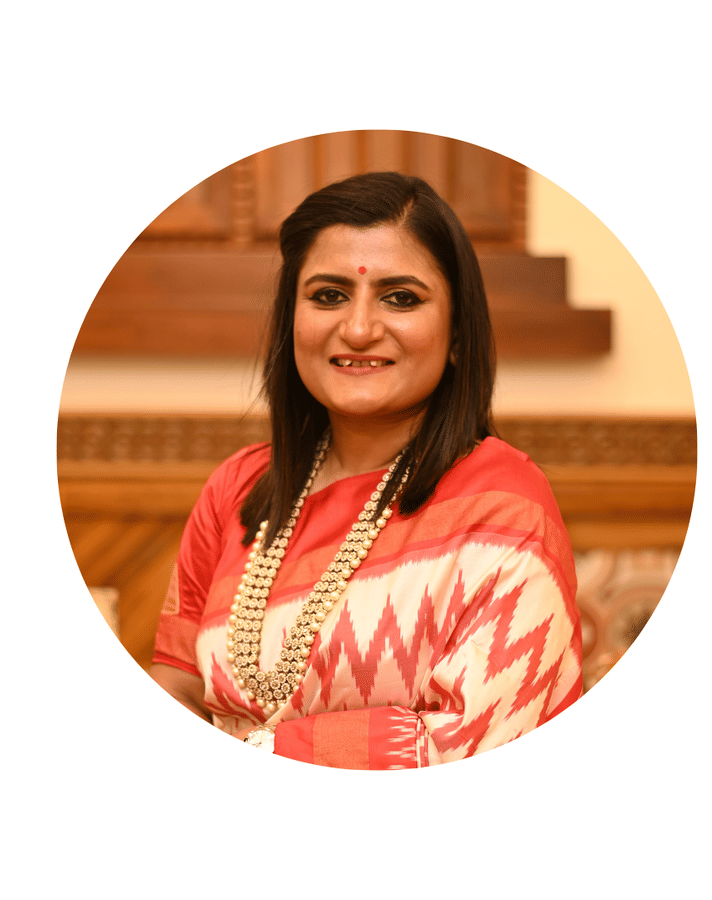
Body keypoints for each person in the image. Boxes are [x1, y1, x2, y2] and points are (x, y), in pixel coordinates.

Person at [149, 171, 582, 768]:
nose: (357, 329)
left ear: (458, 332)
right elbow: (174, 692)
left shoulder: (504, 506)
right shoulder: (238, 489)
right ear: (291, 319)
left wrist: (263, 749)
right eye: (328, 295)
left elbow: (484, 745)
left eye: (400, 298)